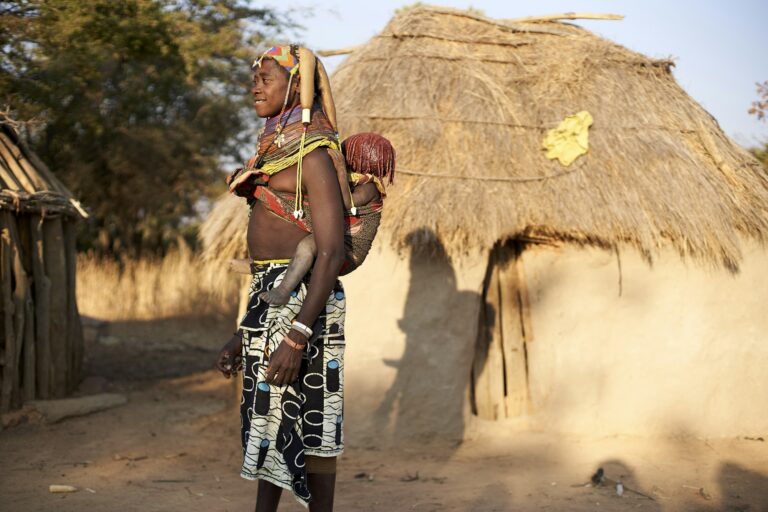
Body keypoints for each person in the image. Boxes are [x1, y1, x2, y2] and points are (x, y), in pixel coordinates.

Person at [215, 44, 346, 512]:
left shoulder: (313, 156)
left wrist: (296, 336)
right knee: (267, 427)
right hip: (271, 298)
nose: (255, 86)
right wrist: (242, 334)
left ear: (296, 87)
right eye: (255, 77)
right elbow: (268, 272)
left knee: (312, 424)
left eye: (267, 77)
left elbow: (330, 251)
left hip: (307, 304)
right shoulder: (274, 156)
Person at [257, 132, 396, 305]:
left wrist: (339, 169)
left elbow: (345, 203)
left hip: (348, 250)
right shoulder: (357, 181)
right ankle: (260, 262)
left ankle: (283, 291)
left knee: (306, 245)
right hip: (333, 233)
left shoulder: (370, 187)